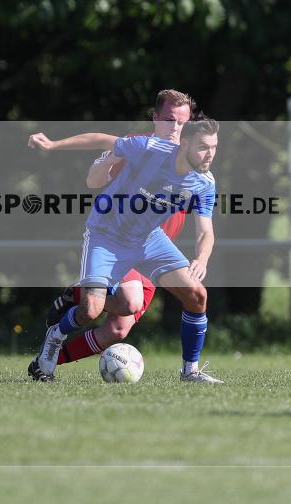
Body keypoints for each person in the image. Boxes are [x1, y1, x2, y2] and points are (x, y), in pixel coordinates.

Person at [27, 117, 222, 383]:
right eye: (203, 147)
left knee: (197, 295)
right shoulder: (151, 149)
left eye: (213, 147)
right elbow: (101, 139)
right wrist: (52, 145)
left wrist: (201, 258)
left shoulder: (204, 182)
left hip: (148, 240)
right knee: (90, 312)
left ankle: (190, 371)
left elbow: (205, 231)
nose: (209, 153)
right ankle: (56, 336)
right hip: (106, 235)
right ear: (184, 144)